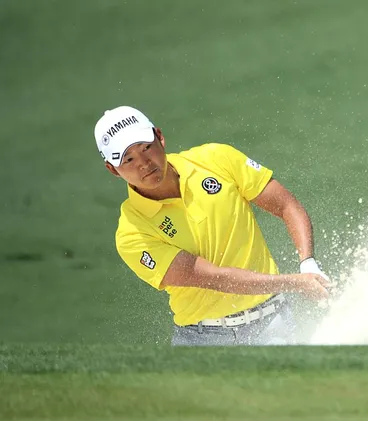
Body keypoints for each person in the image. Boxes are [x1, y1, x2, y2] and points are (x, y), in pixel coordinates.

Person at [94, 106, 331, 346]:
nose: (144, 163)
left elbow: (286, 206)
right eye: (128, 159)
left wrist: (308, 262)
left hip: (275, 324)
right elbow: (217, 278)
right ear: (112, 169)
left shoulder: (216, 158)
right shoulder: (131, 233)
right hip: (203, 340)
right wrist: (295, 282)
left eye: (146, 147)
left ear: (160, 137)